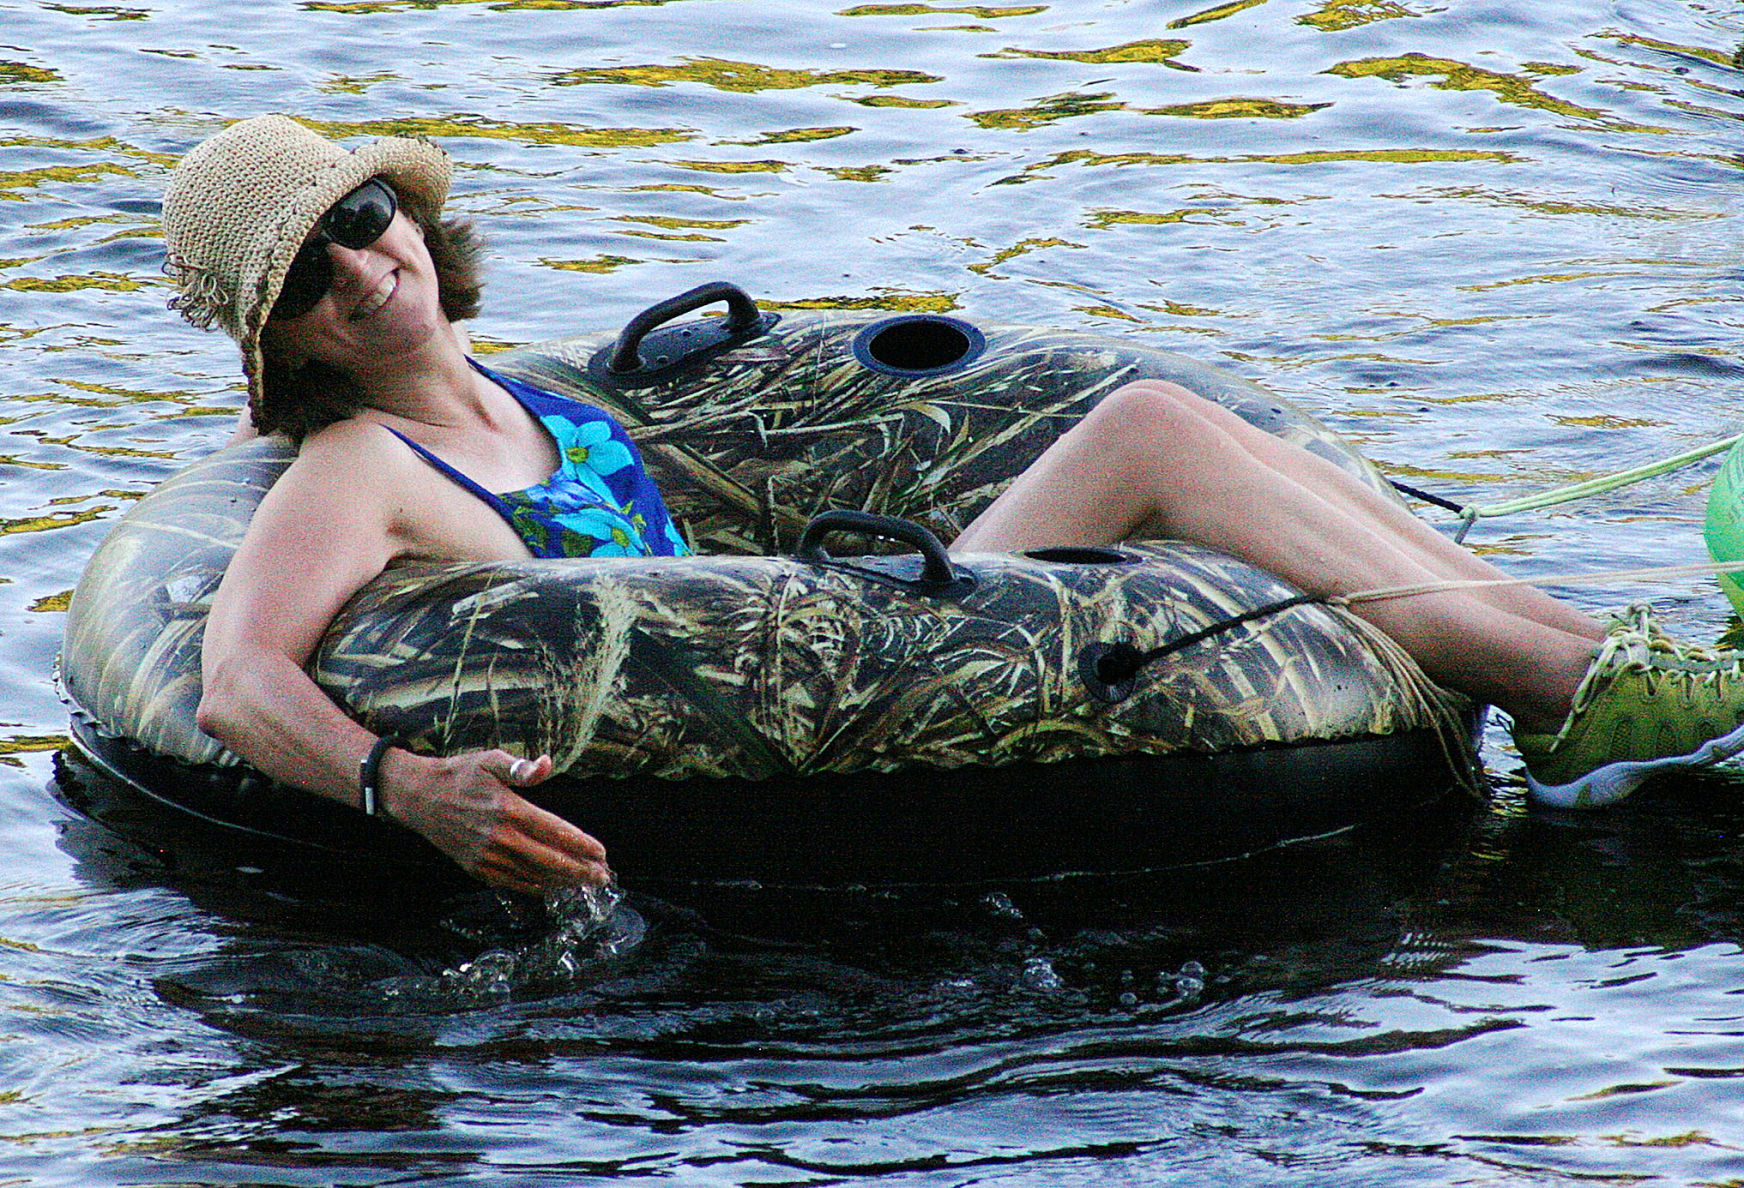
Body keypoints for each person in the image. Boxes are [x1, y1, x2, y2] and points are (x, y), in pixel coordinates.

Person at [161, 115, 1744, 894]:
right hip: (833, 689)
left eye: (368, 222)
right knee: (1150, 434)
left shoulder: (542, 399)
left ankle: (1599, 666)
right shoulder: (354, 467)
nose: (369, 271)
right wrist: (401, 786)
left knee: (1196, 428)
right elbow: (238, 676)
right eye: (314, 275)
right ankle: (1576, 697)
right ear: (283, 334)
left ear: (410, 214)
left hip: (830, 638)